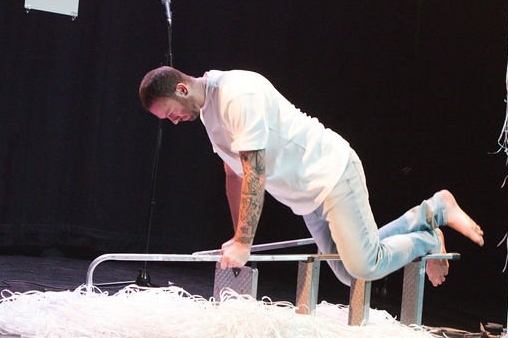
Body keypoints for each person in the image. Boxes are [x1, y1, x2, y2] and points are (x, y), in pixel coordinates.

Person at [138, 66, 484, 287]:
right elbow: (235, 175)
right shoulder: (208, 115)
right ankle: (427, 213)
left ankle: (431, 230)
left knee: (366, 264)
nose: (173, 121)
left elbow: (255, 172)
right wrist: (238, 236)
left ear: (182, 90)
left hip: (330, 174)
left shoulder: (236, 93)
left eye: (170, 113)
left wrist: (244, 243)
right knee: (350, 273)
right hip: (306, 199)